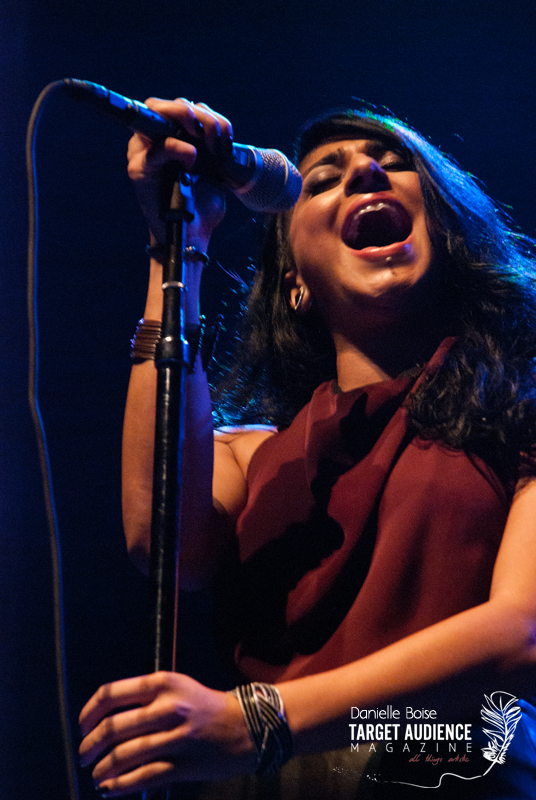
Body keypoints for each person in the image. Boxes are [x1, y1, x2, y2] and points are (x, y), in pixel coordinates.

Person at [78, 98, 536, 799]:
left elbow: (521, 634)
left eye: (393, 164)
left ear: (447, 227)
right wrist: (178, 245)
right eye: (322, 180)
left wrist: (260, 724)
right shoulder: (251, 454)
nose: (364, 175)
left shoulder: (524, 404)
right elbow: (160, 542)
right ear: (293, 280)